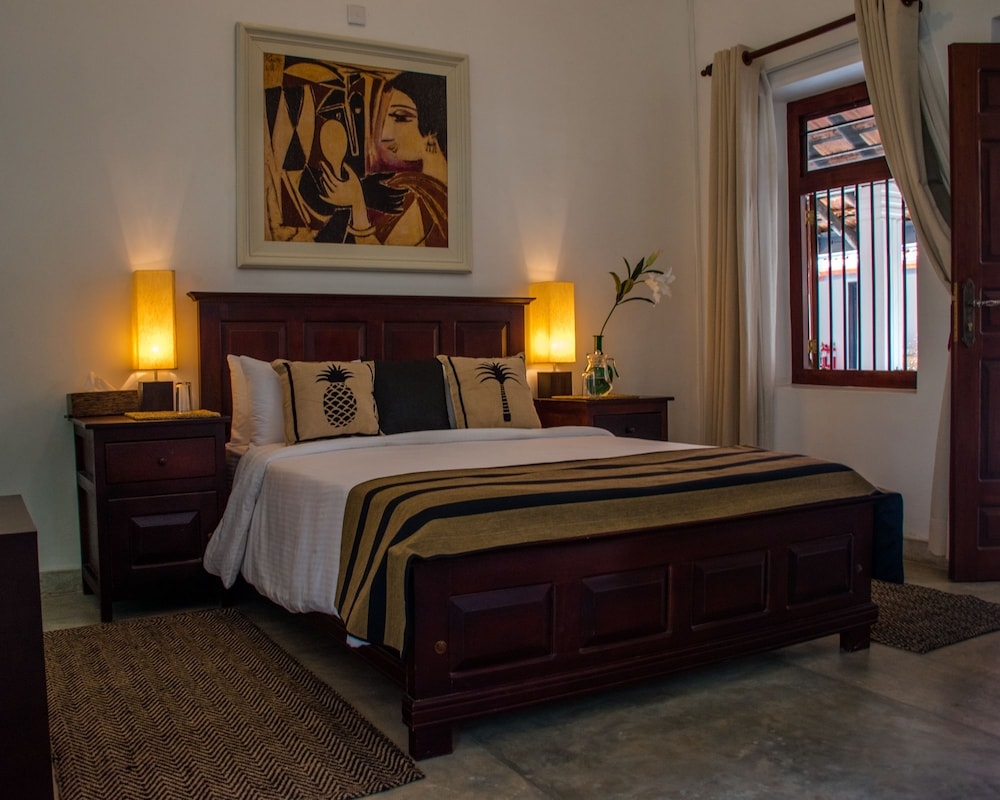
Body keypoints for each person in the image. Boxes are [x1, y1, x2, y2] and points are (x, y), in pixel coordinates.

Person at [318, 71, 449, 247]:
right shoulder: (414, 188)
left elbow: (380, 258)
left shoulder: (423, 199)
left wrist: (357, 202)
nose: (385, 135)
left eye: (401, 117)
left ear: (433, 124)